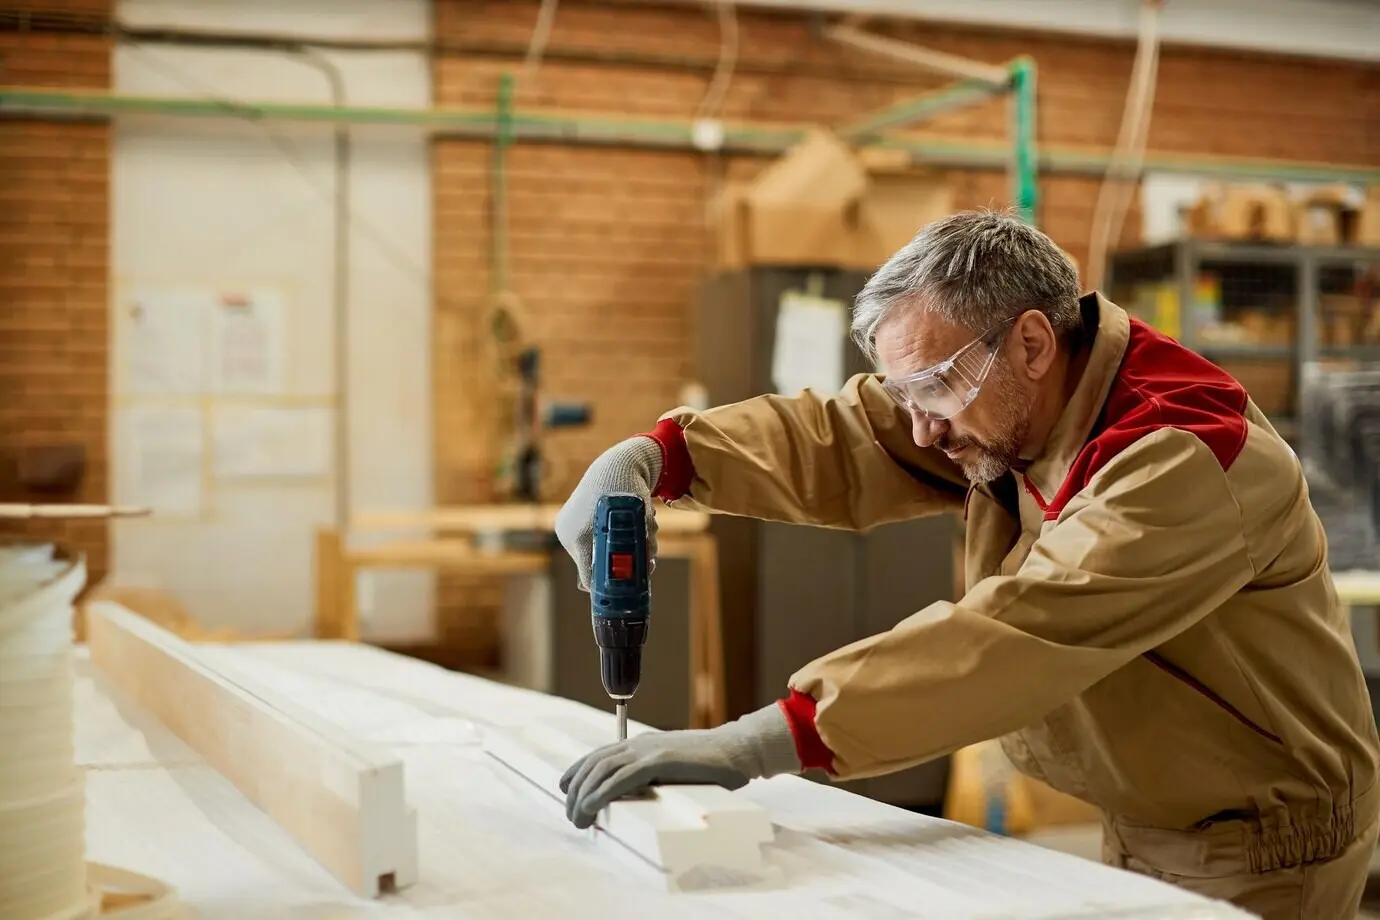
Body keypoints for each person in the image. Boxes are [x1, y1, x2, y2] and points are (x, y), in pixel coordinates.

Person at [552, 209, 1380, 919]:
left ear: (1031, 343)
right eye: (905, 393)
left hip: (1264, 843)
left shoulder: (1183, 453)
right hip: (1154, 809)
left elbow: (1019, 632)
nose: (921, 429)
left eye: (934, 390)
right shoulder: (1023, 399)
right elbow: (849, 435)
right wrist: (662, 457)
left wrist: (759, 742)